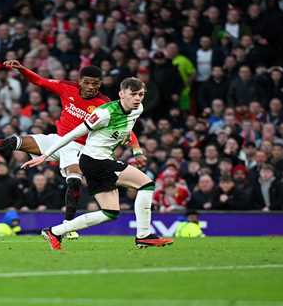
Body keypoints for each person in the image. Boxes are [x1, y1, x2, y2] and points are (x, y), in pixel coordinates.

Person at [0, 62, 146, 239]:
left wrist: (137, 150)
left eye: (95, 84)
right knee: (15, 141)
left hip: (81, 147)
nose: (91, 87)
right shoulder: (67, 88)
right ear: (80, 82)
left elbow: (126, 130)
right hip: (57, 140)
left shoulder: (106, 105)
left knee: (74, 180)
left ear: (100, 84)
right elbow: (40, 81)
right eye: (87, 82)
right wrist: (22, 69)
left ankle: (68, 226)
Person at [21, 77, 173, 250]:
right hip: (96, 161)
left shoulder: (137, 109)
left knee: (110, 212)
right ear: (121, 94)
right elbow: (72, 134)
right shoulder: (104, 113)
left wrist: (136, 150)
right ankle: (144, 235)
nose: (138, 98)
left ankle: (55, 231)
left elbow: (127, 128)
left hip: (99, 161)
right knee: (146, 184)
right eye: (133, 94)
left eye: (141, 94)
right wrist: (45, 155)